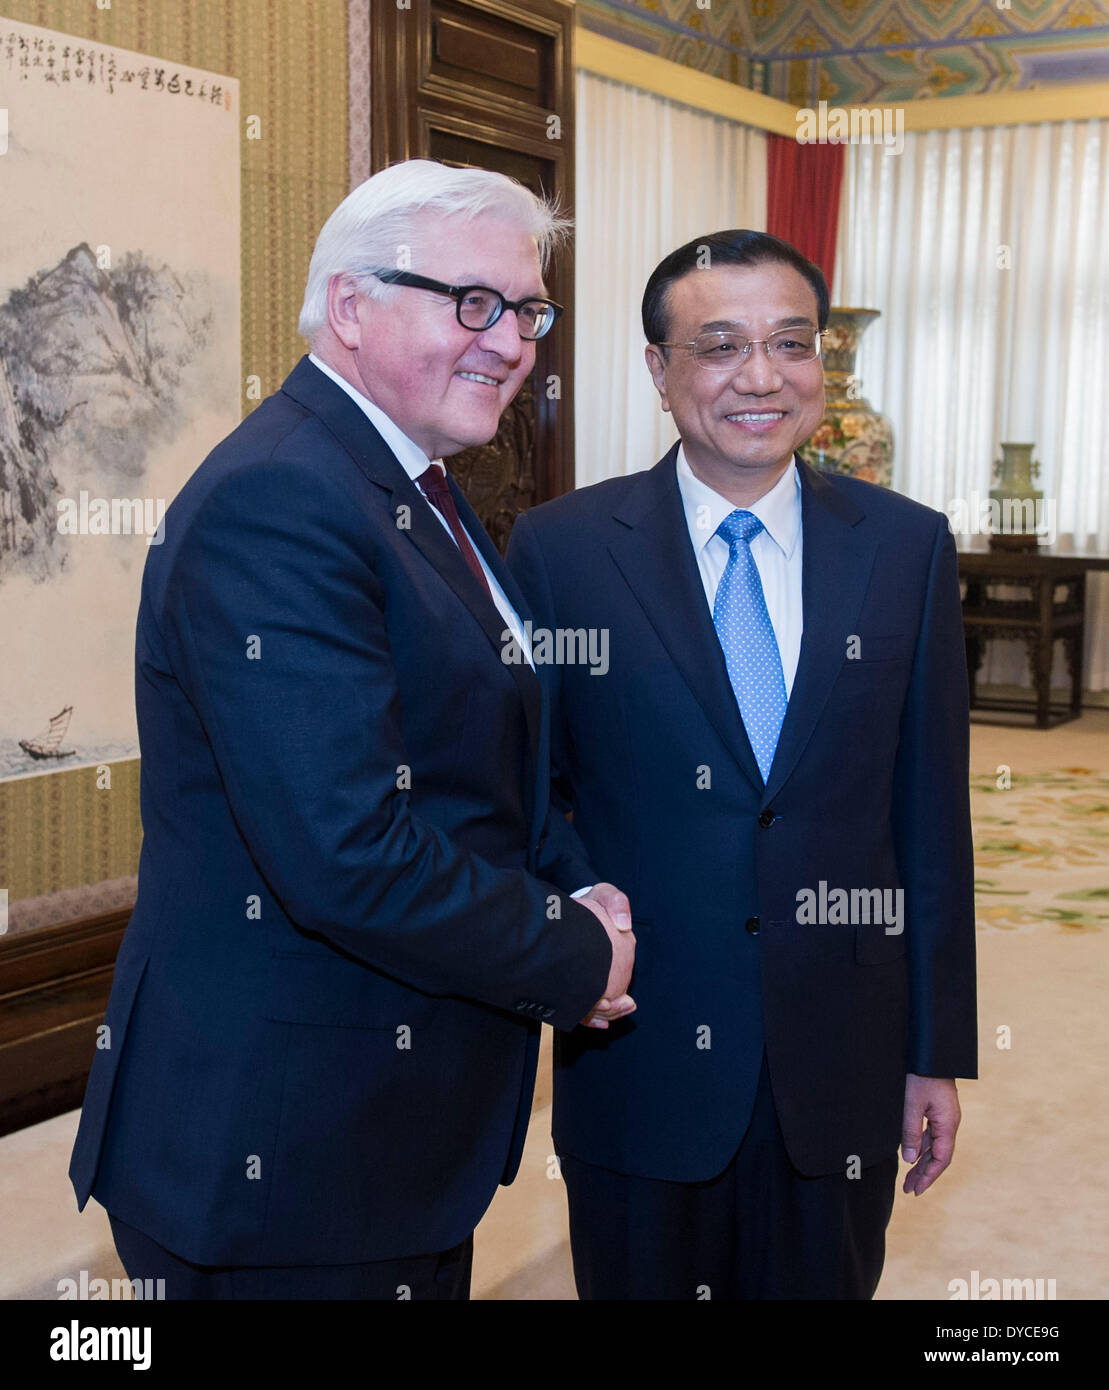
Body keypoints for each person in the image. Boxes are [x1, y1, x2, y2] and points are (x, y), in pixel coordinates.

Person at [68, 159, 635, 1301]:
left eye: (527, 309)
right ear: (348, 305)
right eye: (471, 302)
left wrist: (579, 887)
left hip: (382, 1132)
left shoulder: (408, 480)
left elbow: (489, 756)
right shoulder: (279, 497)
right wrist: (572, 952)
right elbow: (344, 849)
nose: (513, 340)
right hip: (282, 1157)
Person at [506, 229, 977, 1300]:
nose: (760, 378)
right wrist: (579, 929)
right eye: (718, 346)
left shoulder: (904, 547)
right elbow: (533, 792)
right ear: (658, 370)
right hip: (640, 1052)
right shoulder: (560, 549)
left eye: (789, 343)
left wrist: (931, 1046)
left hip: (843, 1058)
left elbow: (928, 820)